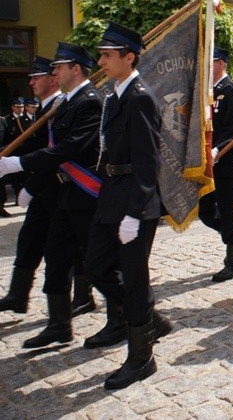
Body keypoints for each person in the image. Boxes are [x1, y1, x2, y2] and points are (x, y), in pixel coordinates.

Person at [85, 22, 172, 389]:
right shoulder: (116, 96)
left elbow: (148, 160)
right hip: (112, 194)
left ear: (128, 57)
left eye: (107, 55)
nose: (101, 61)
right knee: (96, 267)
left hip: (134, 201)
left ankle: (141, 357)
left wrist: (135, 213)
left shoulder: (139, 97)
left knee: (135, 280)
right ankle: (148, 319)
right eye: (102, 55)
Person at [0, 42, 102, 349]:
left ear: (72, 69)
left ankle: (138, 317)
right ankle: (59, 324)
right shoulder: (66, 103)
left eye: (56, 68)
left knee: (98, 262)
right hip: (63, 195)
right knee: (56, 257)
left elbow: (66, 150)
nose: (37, 80)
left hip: (78, 192)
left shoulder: (88, 101)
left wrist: (25, 175)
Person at [0, 56, 64, 313]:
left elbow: (53, 154)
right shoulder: (41, 109)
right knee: (28, 240)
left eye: (36, 77)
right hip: (41, 190)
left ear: (52, 78)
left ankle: (78, 299)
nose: (31, 82)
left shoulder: (60, 106)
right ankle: (18, 295)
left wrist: (31, 185)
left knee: (69, 251)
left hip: (58, 188)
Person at [198, 47, 233, 282]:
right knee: (206, 212)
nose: (208, 66)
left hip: (226, 161)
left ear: (222, 64)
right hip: (207, 164)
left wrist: (217, 149)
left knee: (227, 212)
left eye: (212, 61)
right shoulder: (206, 93)